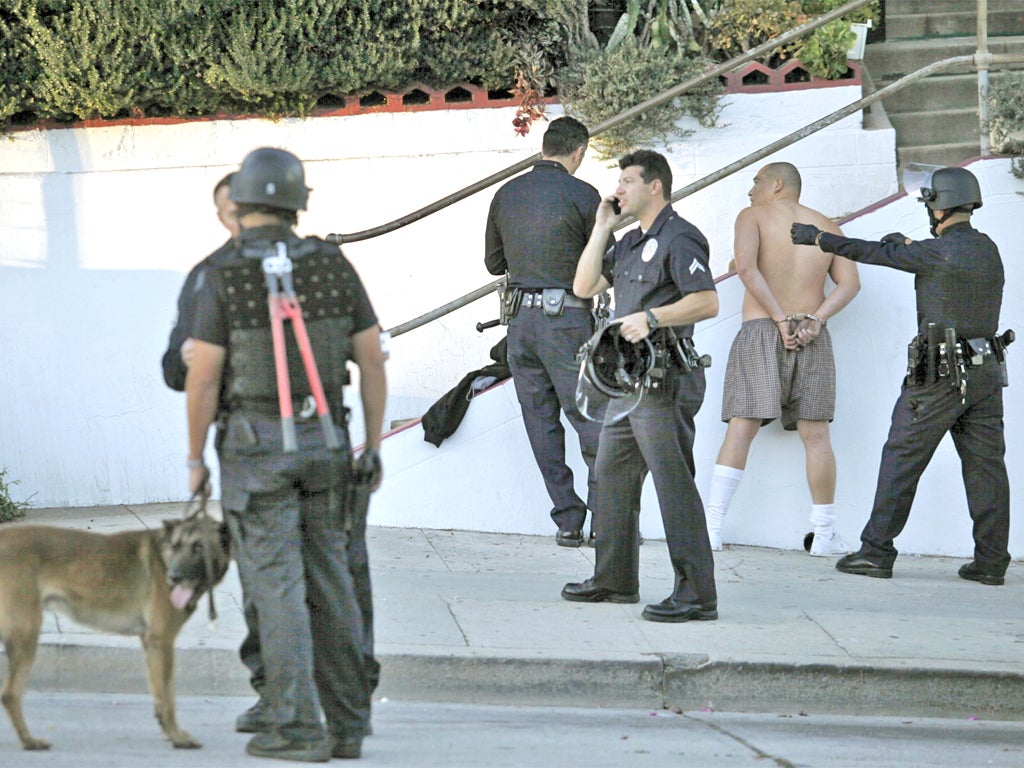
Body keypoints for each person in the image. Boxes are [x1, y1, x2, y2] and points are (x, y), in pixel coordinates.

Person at [185, 147, 387, 761]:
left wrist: (195, 460)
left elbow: (203, 377)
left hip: (254, 451)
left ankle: (296, 728)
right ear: (298, 205)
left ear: (241, 204)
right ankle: (347, 729)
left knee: (276, 588)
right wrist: (371, 446)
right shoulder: (330, 262)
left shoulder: (222, 272)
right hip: (326, 443)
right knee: (332, 583)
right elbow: (372, 359)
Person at [791, 165, 1011, 584]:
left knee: (900, 460)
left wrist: (819, 239)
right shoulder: (986, 248)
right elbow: (917, 253)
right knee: (986, 468)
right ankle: (992, 561)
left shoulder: (936, 253)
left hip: (939, 378)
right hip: (985, 373)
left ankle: (875, 552)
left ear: (937, 205)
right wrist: (909, 244)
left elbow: (875, 252)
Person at [561, 149, 720, 623]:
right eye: (620, 181)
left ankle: (697, 594)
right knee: (610, 475)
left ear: (655, 186)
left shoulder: (680, 236)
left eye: (628, 181)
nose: (619, 189)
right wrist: (601, 228)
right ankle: (614, 579)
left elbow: (707, 301)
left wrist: (652, 318)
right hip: (627, 385)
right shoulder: (629, 242)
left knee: (674, 487)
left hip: (666, 379)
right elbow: (584, 286)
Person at [705, 162, 860, 555]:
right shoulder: (825, 224)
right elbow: (850, 283)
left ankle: (711, 529)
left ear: (777, 184)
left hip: (762, 328)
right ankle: (824, 535)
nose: (750, 189)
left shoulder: (753, 216)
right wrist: (816, 319)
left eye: (756, 181)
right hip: (811, 335)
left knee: (741, 428)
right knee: (818, 436)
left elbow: (745, 268)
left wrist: (777, 318)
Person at [484, 116, 609, 547]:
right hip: (568, 321)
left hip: (520, 324)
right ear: (579, 152)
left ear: (544, 148)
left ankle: (568, 520)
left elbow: (493, 264)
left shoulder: (506, 193)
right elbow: (605, 263)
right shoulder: (583, 194)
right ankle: (604, 521)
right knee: (590, 420)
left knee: (541, 424)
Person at [161, 173, 239, 391]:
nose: (245, 221)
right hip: (238, 415)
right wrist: (186, 357)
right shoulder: (206, 274)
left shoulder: (307, 261)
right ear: (222, 219)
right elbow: (173, 372)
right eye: (234, 214)